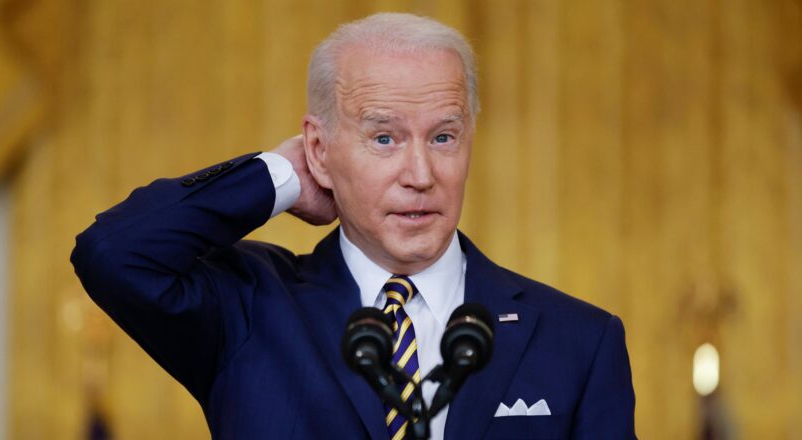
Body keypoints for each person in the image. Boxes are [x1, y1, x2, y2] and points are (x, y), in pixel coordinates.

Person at [71, 12, 635, 440]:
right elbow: (114, 252)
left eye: (443, 137)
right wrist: (282, 175)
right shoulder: (249, 310)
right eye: (384, 138)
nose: (420, 174)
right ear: (321, 148)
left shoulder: (580, 341)